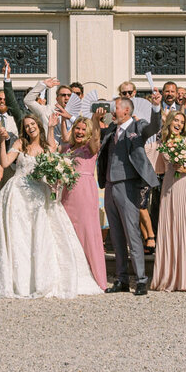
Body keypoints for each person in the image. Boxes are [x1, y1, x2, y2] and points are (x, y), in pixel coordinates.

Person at [0, 112, 102, 299]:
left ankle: (38, 278)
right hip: (17, 192)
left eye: (32, 124)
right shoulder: (19, 144)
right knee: (17, 234)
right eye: (26, 125)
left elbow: (53, 158)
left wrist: (51, 128)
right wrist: (2, 142)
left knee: (39, 234)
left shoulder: (46, 146)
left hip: (38, 193)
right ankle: (14, 279)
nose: (29, 128)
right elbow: (6, 161)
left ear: (37, 125)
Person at [96, 87, 162, 296]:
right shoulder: (110, 131)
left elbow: (155, 127)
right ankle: (122, 279)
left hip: (128, 185)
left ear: (125, 110)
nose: (111, 111)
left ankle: (141, 279)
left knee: (132, 233)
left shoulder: (137, 126)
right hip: (109, 185)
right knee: (115, 236)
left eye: (114, 108)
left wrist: (156, 107)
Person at [150, 110, 186, 292]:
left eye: (182, 122)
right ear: (169, 122)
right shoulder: (162, 143)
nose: (179, 124)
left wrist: (184, 169)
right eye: (176, 120)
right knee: (171, 227)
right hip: (170, 186)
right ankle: (169, 275)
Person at [60, 115, 107, 290]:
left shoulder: (90, 148)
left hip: (85, 192)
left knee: (87, 232)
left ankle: (95, 275)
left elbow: (96, 139)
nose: (79, 132)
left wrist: (95, 121)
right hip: (67, 193)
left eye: (83, 129)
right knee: (68, 231)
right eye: (77, 128)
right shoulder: (67, 149)